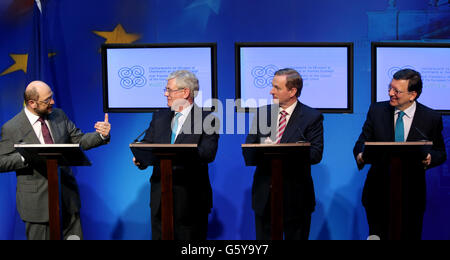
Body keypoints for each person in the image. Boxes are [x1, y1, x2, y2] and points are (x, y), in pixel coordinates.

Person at [0, 80, 111, 240]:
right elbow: (1, 161)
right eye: (47, 100)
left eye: (51, 97)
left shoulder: (59, 115)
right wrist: (26, 155)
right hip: (36, 202)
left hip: (66, 196)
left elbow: (79, 140)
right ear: (32, 103)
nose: (52, 102)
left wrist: (102, 135)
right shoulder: (11, 128)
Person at [353, 69, 447, 240]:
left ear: (413, 95)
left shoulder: (431, 117)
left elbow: (441, 152)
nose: (391, 93)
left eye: (397, 91)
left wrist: (430, 158)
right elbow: (361, 143)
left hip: (412, 194)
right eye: (390, 88)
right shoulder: (377, 110)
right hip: (377, 192)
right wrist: (360, 155)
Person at [133, 70, 219, 240]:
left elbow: (208, 154)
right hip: (160, 198)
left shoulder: (208, 119)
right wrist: (140, 158)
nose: (166, 94)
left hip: (191, 200)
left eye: (169, 90)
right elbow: (148, 144)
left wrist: (179, 153)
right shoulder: (160, 117)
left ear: (185, 92)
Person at [244, 68, 324, 240]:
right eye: (272, 86)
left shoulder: (311, 117)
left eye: (277, 88)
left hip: (296, 197)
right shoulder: (262, 113)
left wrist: (286, 150)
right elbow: (250, 148)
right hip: (265, 194)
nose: (271, 91)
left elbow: (315, 154)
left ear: (292, 91)